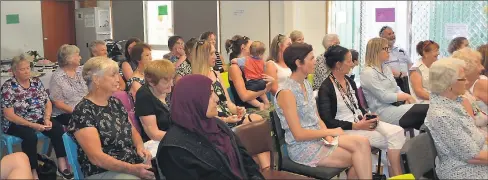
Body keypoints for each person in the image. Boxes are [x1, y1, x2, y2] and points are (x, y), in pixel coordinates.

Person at [275, 43, 372, 179]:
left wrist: (328, 136)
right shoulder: (286, 92)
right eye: (311, 58)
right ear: (298, 63)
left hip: (318, 138)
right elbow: (298, 134)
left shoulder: (306, 84)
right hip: (302, 147)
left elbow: (317, 117)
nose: (316, 61)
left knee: (363, 143)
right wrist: (330, 132)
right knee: (359, 156)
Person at [317, 45, 406, 176]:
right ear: (338, 64)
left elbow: (358, 107)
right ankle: (397, 175)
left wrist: (368, 116)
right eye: (349, 60)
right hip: (345, 129)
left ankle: (395, 174)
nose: (352, 64)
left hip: (361, 123)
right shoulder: (326, 88)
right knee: (392, 140)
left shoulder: (350, 82)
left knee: (398, 132)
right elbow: (328, 121)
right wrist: (355, 125)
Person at [157, 75, 265, 179]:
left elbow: (247, 163)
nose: (217, 99)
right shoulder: (173, 149)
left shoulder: (217, 125)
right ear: (193, 100)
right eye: (210, 94)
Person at [68, 56, 153, 179]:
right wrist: (132, 169)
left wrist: (140, 147)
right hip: (101, 171)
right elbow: (97, 158)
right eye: (112, 75)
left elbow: (132, 131)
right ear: (96, 80)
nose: (118, 79)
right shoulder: (83, 111)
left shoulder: (115, 102)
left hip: (129, 163)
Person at [193, 40, 270, 170]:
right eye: (212, 53)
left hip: (229, 116)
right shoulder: (196, 80)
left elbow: (227, 102)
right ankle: (264, 169)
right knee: (256, 130)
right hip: (216, 122)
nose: (215, 56)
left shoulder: (216, 74)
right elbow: (202, 115)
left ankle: (265, 169)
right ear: (203, 56)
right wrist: (226, 119)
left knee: (258, 122)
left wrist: (237, 109)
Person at [1, 54, 73, 179]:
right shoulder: (8, 87)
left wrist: (47, 118)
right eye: (22, 69)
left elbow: (47, 102)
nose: (26, 71)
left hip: (37, 117)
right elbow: (9, 115)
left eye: (28, 68)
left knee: (56, 128)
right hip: (15, 122)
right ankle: (33, 171)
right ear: (14, 71)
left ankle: (62, 165)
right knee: (30, 136)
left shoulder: (36, 82)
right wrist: (32, 125)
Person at [425, 57, 488, 179]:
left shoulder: (455, 102)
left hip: (475, 161)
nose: (466, 81)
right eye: (462, 78)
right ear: (448, 84)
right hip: (463, 170)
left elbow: (475, 139)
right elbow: (473, 157)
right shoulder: (442, 115)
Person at [360, 38, 427, 130]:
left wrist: (404, 99)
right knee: (429, 110)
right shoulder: (368, 72)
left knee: (429, 117)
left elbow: (396, 88)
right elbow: (384, 97)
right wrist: (406, 97)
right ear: (376, 51)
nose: (389, 51)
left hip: (397, 106)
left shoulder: (386, 67)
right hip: (383, 112)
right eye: (386, 49)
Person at [135, 60, 174, 142]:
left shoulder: (169, 90)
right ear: (152, 83)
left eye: (172, 79)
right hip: (158, 142)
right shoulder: (144, 96)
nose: (171, 84)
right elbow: (153, 134)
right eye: (166, 81)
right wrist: (182, 138)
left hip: (175, 136)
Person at [50, 44, 88, 126]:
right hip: (65, 113)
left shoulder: (80, 71)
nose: (80, 58)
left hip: (84, 109)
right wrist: (78, 112)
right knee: (88, 122)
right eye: (78, 56)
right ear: (69, 59)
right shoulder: (58, 77)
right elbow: (58, 103)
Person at [451, 48, 488, 133]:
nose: (482, 68)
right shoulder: (460, 95)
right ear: (468, 69)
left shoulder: (469, 91)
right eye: (479, 64)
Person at [231, 41, 271, 110]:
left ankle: (260, 105)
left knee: (253, 92)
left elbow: (233, 60)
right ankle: (266, 102)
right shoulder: (261, 61)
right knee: (257, 92)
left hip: (252, 82)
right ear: (243, 47)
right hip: (260, 82)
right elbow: (245, 97)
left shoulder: (245, 60)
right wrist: (265, 89)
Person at [379, 26, 412, 93]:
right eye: (389, 34)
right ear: (382, 38)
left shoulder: (401, 50)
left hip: (406, 80)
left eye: (393, 33)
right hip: (391, 81)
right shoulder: (381, 53)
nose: (392, 35)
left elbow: (410, 65)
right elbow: (381, 69)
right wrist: (399, 74)